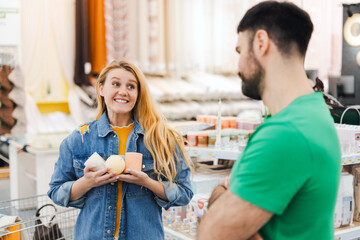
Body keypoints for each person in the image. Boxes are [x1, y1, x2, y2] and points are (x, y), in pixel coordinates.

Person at [198, 1, 341, 240]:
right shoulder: (315, 112)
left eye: (240, 51)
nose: (238, 67)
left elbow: (211, 235)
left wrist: (226, 188)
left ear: (261, 43)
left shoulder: (286, 133)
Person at [48, 59, 193, 240]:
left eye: (131, 86)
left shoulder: (161, 139)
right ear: (101, 88)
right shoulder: (79, 139)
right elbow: (55, 190)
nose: (123, 91)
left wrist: (147, 182)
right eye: (115, 84)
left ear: (139, 93)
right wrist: (87, 182)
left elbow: (184, 193)